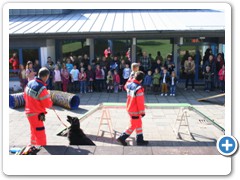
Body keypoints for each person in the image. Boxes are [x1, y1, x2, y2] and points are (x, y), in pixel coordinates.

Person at [117, 71, 148, 146]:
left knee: (138, 124)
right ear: (141, 80)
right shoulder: (139, 89)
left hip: (130, 107)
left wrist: (131, 77)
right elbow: (140, 103)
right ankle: (122, 137)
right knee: (133, 125)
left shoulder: (129, 85)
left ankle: (140, 139)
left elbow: (125, 85)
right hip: (135, 111)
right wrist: (142, 112)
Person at [24, 67, 53, 146]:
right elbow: (47, 104)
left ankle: (33, 147)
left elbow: (24, 96)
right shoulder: (42, 88)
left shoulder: (30, 83)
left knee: (34, 132)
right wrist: (49, 97)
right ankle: (42, 152)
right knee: (40, 135)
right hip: (36, 115)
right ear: (46, 76)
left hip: (28, 113)